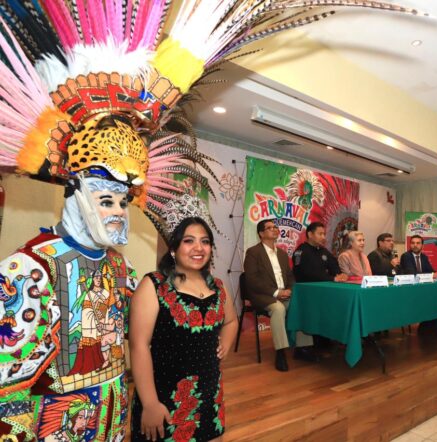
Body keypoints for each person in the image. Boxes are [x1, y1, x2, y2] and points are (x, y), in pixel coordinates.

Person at [0, 177, 137, 440]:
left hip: (113, 413)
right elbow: (8, 376)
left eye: (123, 203)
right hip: (59, 420)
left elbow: (133, 324)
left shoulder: (121, 265)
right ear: (77, 201)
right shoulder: (32, 266)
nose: (119, 211)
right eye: (106, 201)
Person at [130, 217, 238, 441]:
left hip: (210, 393)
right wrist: (150, 404)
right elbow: (138, 345)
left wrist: (226, 344)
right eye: (189, 241)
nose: (199, 248)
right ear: (173, 249)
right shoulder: (154, 285)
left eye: (205, 241)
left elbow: (231, 321)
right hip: (163, 397)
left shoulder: (218, 287)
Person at [244, 219, 318, 372]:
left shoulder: (283, 254)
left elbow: (290, 277)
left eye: (275, 227)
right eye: (269, 228)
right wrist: (277, 292)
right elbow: (252, 280)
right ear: (261, 234)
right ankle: (280, 352)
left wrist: (290, 289)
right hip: (263, 295)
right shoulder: (253, 252)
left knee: (301, 305)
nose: (274, 229)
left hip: (284, 294)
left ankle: (303, 348)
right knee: (278, 309)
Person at [400, 235, 437, 337]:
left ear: (422, 245)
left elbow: (430, 271)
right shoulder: (406, 256)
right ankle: (426, 327)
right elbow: (412, 274)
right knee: (431, 300)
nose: (415, 245)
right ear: (410, 245)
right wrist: (433, 275)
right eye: (413, 243)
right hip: (411, 290)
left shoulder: (424, 257)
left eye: (418, 243)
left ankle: (433, 327)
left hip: (422, 289)